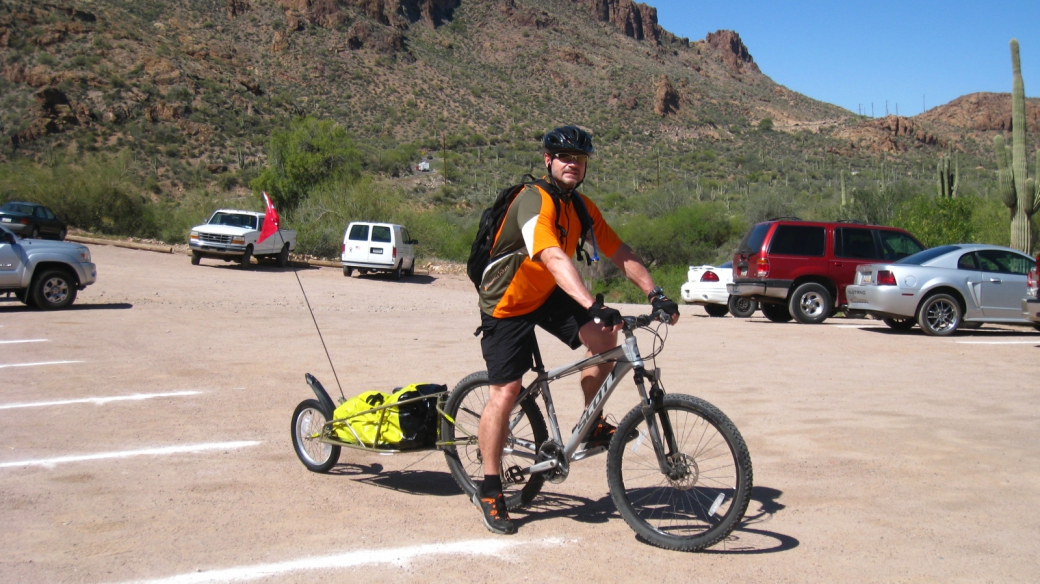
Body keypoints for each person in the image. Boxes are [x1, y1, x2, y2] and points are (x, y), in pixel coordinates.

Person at [472, 125, 680, 535]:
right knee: (507, 391)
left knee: (604, 338)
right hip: (506, 301)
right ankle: (491, 487)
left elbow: (619, 251)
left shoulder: (581, 207)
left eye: (579, 158)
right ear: (548, 160)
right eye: (564, 156)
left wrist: (656, 293)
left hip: (546, 294)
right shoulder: (534, 200)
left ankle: (592, 422)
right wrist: (591, 303)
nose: (573, 163)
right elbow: (550, 254)